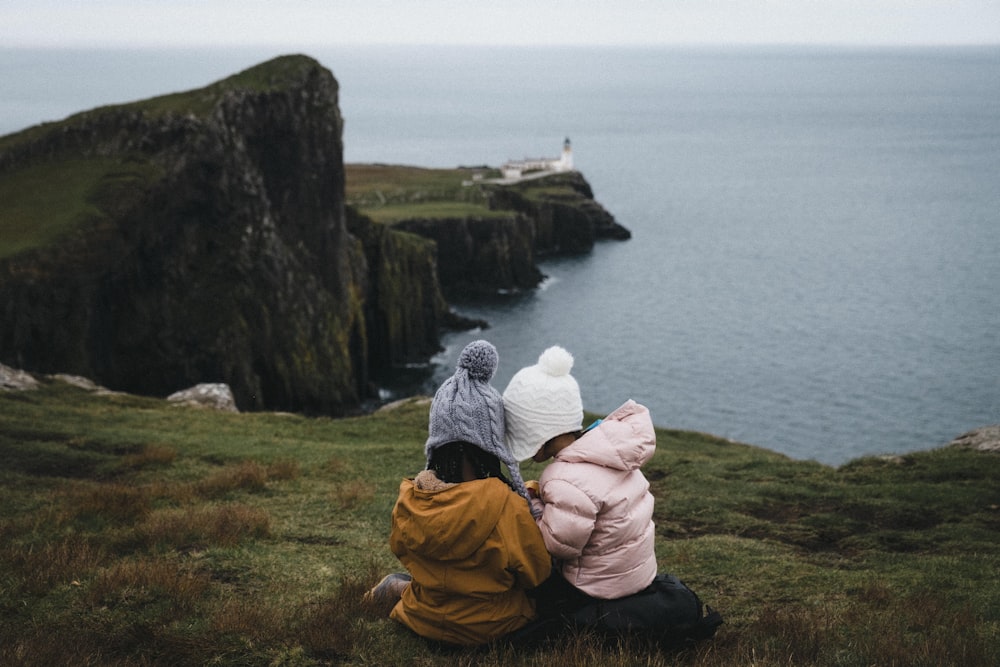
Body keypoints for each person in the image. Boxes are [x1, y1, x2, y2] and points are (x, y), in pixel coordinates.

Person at [371, 340, 552, 647]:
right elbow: (537, 573)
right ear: (491, 441)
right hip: (493, 627)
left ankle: (390, 592)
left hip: (423, 618)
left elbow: (403, 551)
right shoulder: (506, 505)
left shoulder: (411, 499)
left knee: (414, 582)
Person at [502, 345, 658, 612]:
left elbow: (558, 546)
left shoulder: (564, 478)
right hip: (636, 577)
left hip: (593, 591)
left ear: (537, 432)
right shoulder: (608, 451)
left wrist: (535, 509)